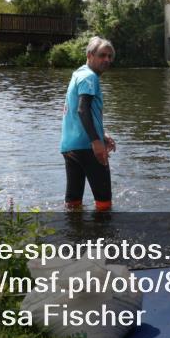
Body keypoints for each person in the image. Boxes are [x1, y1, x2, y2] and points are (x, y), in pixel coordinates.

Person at [60, 36, 117, 211]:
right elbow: (82, 110)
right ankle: (103, 236)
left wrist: (102, 134)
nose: (107, 60)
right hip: (87, 147)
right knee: (104, 203)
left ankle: (74, 233)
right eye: (102, 55)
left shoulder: (78, 73)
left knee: (73, 201)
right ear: (90, 55)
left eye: (109, 56)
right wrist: (96, 141)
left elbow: (81, 113)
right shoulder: (90, 77)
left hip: (70, 146)